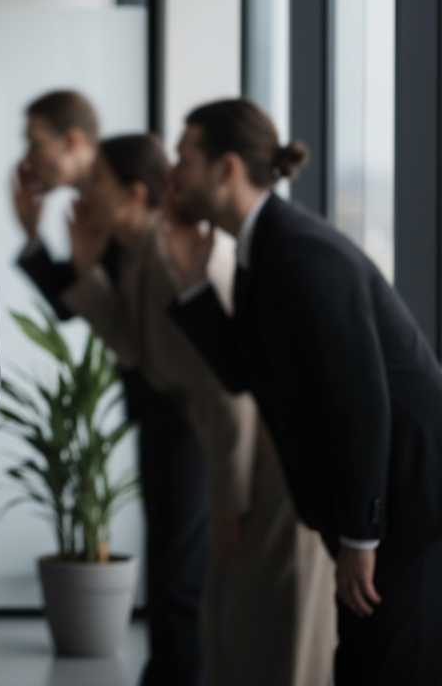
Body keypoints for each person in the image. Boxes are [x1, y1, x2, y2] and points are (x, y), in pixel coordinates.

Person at [165, 98, 442, 686]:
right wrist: (191, 278)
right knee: (368, 659)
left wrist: (361, 535)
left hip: (403, 493)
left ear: (227, 169)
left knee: (385, 663)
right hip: (378, 492)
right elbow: (246, 370)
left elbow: (362, 400)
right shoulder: (258, 249)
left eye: (184, 156)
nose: (173, 173)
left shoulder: (302, 252)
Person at [63, 134, 334, 686]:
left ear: (134, 193)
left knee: (203, 590)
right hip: (204, 436)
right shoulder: (144, 256)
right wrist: (87, 270)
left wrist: (230, 501)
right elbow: (133, 348)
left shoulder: (163, 258)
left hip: (232, 449)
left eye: (97, 182)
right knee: (191, 586)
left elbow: (224, 396)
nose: (84, 193)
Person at [10, 90, 206, 686]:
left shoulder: (134, 212)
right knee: (177, 566)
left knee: (182, 569)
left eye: (35, 140)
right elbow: (106, 315)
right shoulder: (109, 212)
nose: (26, 157)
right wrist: (42, 241)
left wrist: (50, 245)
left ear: (74, 142)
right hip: (166, 416)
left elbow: (133, 329)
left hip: (187, 420)